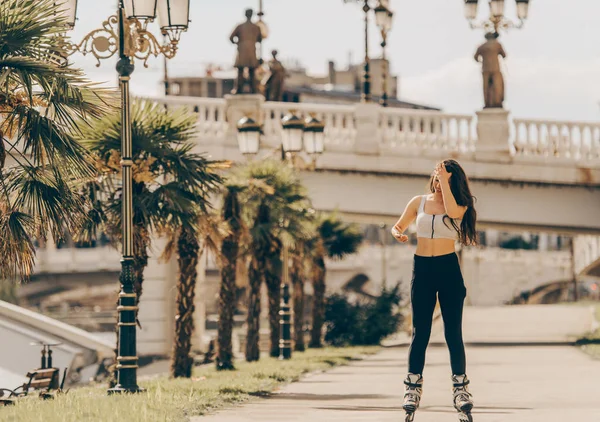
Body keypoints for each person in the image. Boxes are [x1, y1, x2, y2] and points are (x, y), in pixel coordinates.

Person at [391, 159, 477, 420]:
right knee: (421, 332)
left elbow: (451, 213)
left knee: (453, 332)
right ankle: (412, 387)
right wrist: (398, 233)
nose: (439, 183)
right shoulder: (418, 201)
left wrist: (447, 183)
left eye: (445, 179)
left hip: (448, 269)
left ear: (454, 182)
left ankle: (460, 388)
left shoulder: (460, 205)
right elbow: (399, 225)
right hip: (423, 270)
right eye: (437, 177)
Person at [230, 9, 263, 94]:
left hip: (242, 52)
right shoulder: (256, 27)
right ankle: (254, 90)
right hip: (252, 52)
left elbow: (231, 37)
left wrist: (237, 43)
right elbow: (260, 39)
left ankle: (238, 89)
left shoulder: (240, 26)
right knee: (252, 72)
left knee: (240, 72)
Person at [474, 31, 506, 108]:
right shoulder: (497, 45)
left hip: (485, 68)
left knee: (486, 87)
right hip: (495, 68)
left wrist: (480, 61)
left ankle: (487, 103)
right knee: (497, 85)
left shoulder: (482, 46)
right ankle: (497, 102)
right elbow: (504, 55)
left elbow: (475, 57)